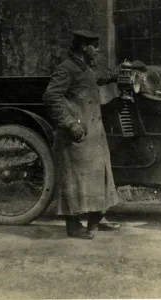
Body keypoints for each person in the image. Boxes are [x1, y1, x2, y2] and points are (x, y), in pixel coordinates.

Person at [43, 29, 122, 239]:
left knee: (96, 175)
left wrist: (122, 69)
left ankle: (95, 219)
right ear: (83, 47)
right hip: (76, 135)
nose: (97, 50)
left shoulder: (86, 68)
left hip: (93, 135)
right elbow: (51, 96)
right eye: (94, 46)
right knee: (74, 180)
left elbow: (102, 76)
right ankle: (73, 226)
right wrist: (70, 123)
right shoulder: (66, 69)